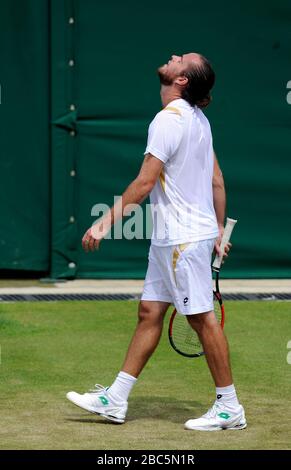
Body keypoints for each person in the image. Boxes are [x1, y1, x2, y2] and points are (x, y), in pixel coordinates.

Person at [66, 52, 247, 431]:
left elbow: (145, 182)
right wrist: (217, 229)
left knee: (201, 318)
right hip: (174, 239)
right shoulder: (200, 120)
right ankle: (115, 399)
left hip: (182, 241)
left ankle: (229, 407)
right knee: (150, 313)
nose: (174, 57)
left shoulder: (169, 120)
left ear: (182, 80)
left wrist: (104, 224)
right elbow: (216, 180)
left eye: (183, 59)